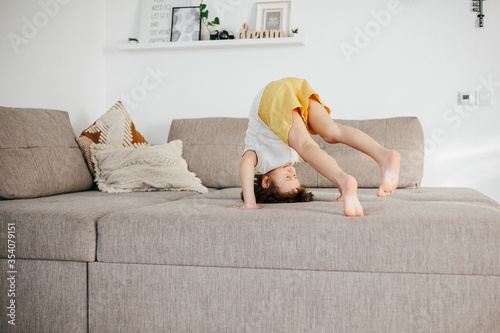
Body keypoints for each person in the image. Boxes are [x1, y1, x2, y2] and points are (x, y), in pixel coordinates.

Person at [229, 77, 400, 217]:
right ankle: (383, 155)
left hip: (269, 99)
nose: (291, 171)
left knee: (306, 146)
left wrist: (250, 203)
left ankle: (344, 179)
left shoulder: (259, 161)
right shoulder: (290, 158)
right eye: (295, 176)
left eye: (288, 178)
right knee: (332, 132)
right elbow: (322, 158)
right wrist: (342, 191)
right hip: (295, 87)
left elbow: (244, 165)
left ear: (266, 181)